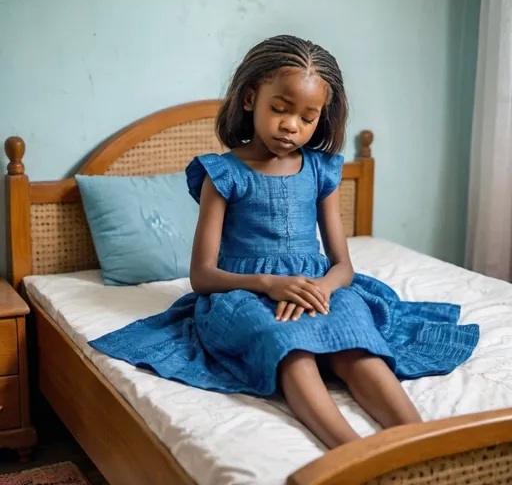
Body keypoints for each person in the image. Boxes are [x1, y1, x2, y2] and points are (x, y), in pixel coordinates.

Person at [90, 35, 479, 449]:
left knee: (357, 341)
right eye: (279, 108)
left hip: (317, 286)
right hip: (244, 293)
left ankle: (420, 445)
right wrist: (269, 285)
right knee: (288, 346)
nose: (292, 125)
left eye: (308, 118)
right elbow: (201, 276)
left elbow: (342, 265)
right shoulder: (222, 174)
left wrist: (322, 290)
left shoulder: (321, 170)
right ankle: (352, 455)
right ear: (250, 98)